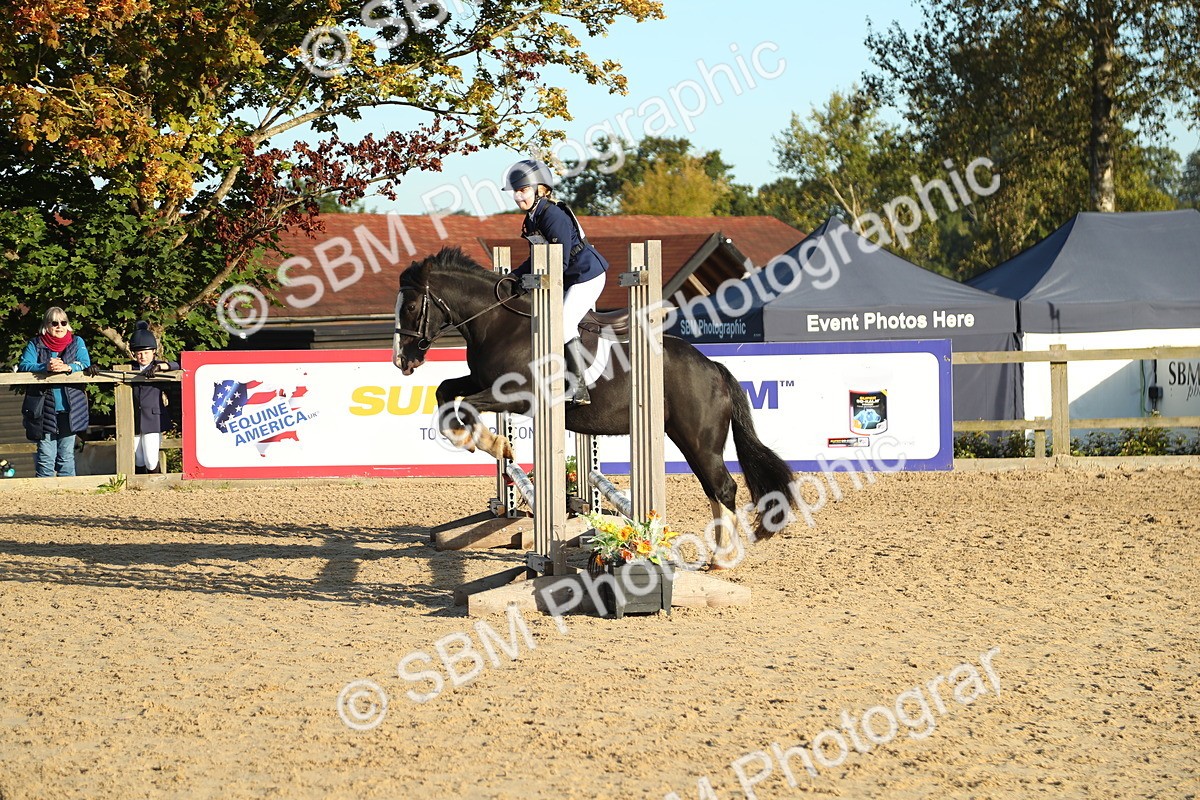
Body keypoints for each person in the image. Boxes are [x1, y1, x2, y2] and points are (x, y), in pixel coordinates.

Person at [504, 158, 609, 405]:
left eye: (523, 190)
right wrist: (512, 277)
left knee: (561, 323)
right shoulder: (533, 217)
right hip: (569, 277)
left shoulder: (553, 215)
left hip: (586, 275)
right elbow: (536, 258)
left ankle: (579, 388)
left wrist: (530, 282)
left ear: (541, 189)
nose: (519, 197)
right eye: (516, 192)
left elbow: (558, 263)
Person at [18, 306, 91, 477]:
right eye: (55, 322)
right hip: (43, 408)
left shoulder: (77, 342)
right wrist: (45, 367)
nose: (59, 326)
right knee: (46, 455)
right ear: (46, 325)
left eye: (63, 322)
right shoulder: (35, 344)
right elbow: (24, 366)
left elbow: (85, 363)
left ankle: (69, 494)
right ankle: (44, 496)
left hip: (71, 407)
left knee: (66, 455)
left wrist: (68, 367)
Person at [126, 321, 180, 474]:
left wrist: (159, 368)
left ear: (153, 352)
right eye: (139, 353)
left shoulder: (158, 366)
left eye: (146, 352)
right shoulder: (130, 367)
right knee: (138, 458)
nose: (142, 356)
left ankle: (156, 482)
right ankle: (140, 487)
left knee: (150, 458)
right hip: (134, 418)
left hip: (153, 418)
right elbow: (112, 371)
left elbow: (177, 364)